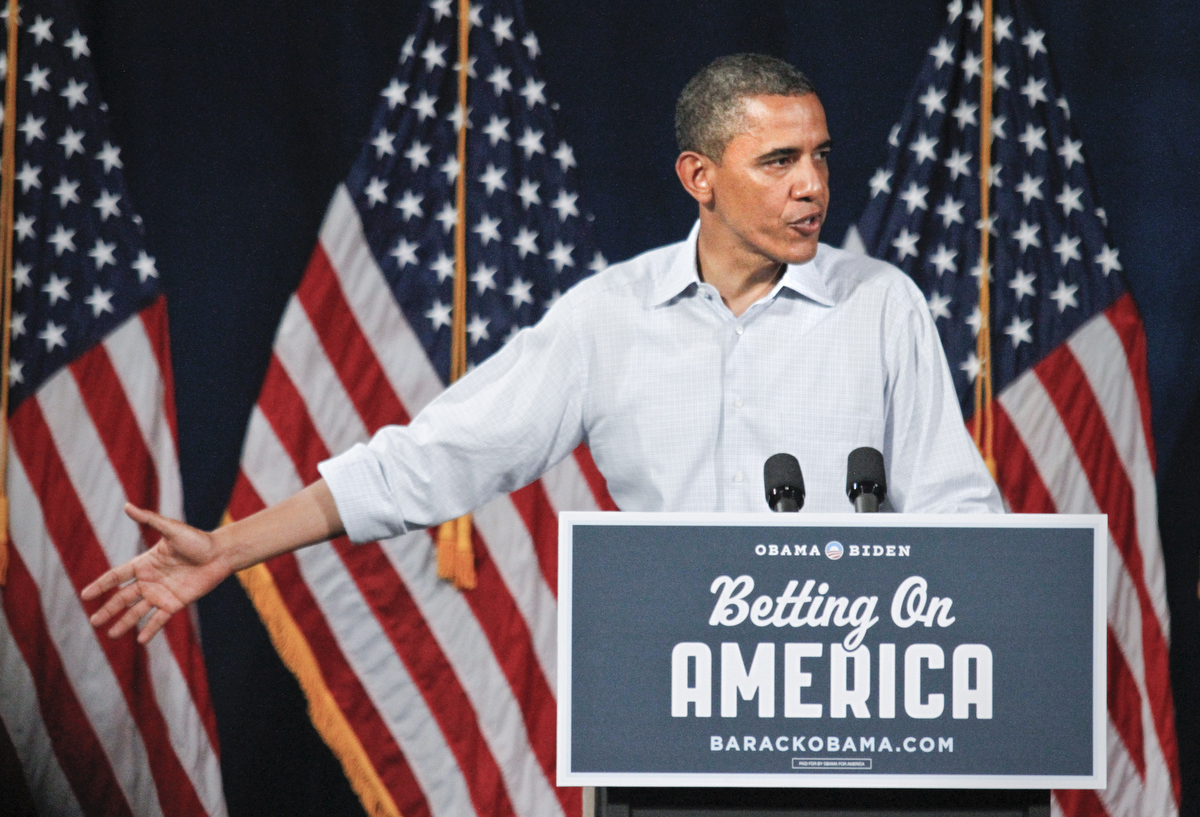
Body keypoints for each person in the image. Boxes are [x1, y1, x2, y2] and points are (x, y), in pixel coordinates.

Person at [83, 54, 1001, 644]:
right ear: (700, 177)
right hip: (673, 710)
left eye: (822, 157)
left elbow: (959, 512)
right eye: (779, 162)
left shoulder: (881, 305)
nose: (812, 187)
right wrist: (228, 547)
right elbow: (436, 459)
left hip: (855, 720)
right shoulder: (610, 317)